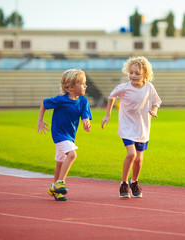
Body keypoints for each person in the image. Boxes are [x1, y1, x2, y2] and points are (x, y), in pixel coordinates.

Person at [101, 56, 162, 198]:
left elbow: (157, 101)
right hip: (127, 126)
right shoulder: (124, 88)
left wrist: (154, 110)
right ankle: (124, 183)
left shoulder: (149, 87)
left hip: (142, 127)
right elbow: (111, 97)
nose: (133, 76)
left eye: (137, 73)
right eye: (131, 72)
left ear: (145, 75)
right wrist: (108, 115)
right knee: (131, 154)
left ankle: (134, 181)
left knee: (139, 160)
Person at [37, 69, 92, 201]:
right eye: (82, 83)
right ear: (71, 87)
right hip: (59, 134)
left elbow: (85, 115)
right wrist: (40, 120)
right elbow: (44, 103)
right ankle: (60, 183)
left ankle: (55, 189)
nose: (86, 86)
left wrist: (86, 122)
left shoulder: (83, 101)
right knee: (72, 154)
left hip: (70, 136)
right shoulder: (60, 100)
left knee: (60, 163)